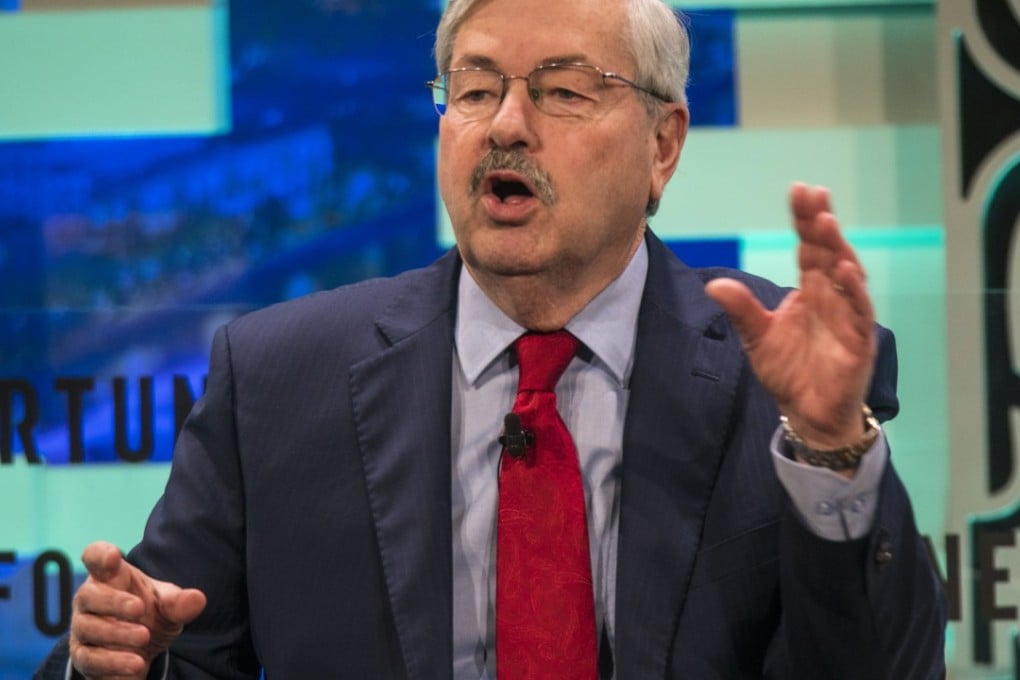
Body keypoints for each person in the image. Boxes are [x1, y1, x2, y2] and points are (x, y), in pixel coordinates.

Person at [37, 0, 947, 677]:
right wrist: (116, 660)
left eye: (562, 90)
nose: (505, 125)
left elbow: (886, 665)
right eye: (474, 89)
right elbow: (175, 651)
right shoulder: (277, 378)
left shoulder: (780, 372)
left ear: (663, 145)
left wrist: (832, 455)